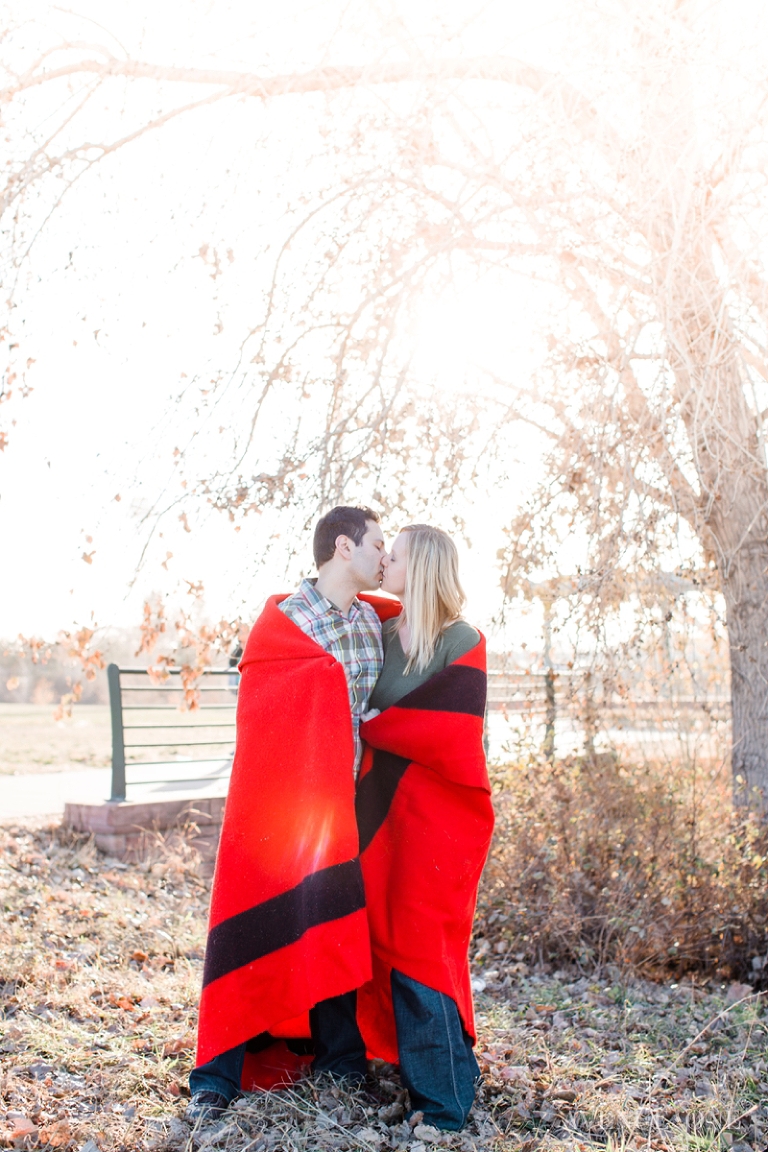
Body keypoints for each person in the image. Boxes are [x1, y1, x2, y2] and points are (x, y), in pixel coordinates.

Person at [187, 505, 387, 1124]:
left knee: (330, 918)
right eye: (379, 545)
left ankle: (342, 1062)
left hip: (344, 806)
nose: (386, 557)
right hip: (281, 804)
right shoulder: (284, 624)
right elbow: (266, 718)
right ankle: (215, 1075)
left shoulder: (375, 625)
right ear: (345, 547)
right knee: (255, 924)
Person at [355, 524, 495, 1131]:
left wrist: (380, 725)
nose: (384, 560)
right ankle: (432, 1071)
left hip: (439, 819)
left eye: (396, 553)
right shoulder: (379, 635)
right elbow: (350, 703)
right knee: (383, 939)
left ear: (426, 566)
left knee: (423, 949)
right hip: (379, 817)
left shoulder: (462, 640)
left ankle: (445, 1104)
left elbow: (453, 730)